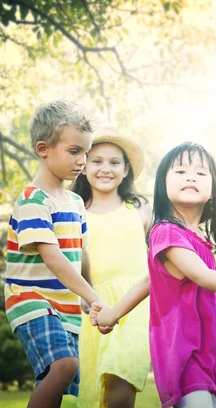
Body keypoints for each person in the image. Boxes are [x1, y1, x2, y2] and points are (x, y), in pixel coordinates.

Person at [92, 141, 216, 408]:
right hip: (183, 350)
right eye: (180, 171)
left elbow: (158, 280)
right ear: (162, 186)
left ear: (213, 191)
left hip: (210, 352)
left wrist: (113, 313)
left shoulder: (199, 239)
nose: (191, 176)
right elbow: (203, 276)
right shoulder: (166, 232)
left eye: (201, 173)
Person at [4, 100, 108, 408]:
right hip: (32, 299)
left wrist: (90, 298)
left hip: (66, 307)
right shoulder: (33, 201)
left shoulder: (75, 202)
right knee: (65, 366)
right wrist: (96, 297)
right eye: (74, 151)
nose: (83, 160)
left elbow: (81, 254)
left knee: (56, 381)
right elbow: (54, 258)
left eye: (86, 152)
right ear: (43, 148)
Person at [72, 126, 152, 408]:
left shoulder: (140, 207)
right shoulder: (74, 211)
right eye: (97, 161)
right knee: (95, 390)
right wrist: (83, 294)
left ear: (126, 169)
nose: (105, 169)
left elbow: (163, 256)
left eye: (114, 162)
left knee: (121, 371)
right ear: (83, 167)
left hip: (136, 305)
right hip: (90, 306)